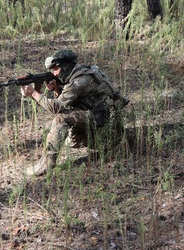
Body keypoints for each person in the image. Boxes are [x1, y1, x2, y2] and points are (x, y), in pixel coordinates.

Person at [20, 49, 127, 177]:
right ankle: (102, 141)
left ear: (65, 66)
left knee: (61, 119)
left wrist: (33, 93)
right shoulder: (82, 72)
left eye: (56, 69)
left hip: (106, 124)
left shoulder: (79, 81)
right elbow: (71, 101)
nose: (54, 74)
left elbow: (56, 107)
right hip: (104, 118)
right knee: (71, 140)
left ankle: (47, 164)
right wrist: (57, 89)